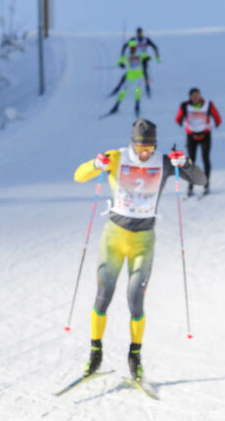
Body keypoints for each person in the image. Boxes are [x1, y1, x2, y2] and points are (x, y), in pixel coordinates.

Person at [73, 118, 206, 387]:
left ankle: (135, 358)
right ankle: (95, 353)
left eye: (149, 147)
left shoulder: (164, 161)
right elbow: (79, 175)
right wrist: (95, 165)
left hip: (144, 240)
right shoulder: (115, 157)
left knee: (135, 299)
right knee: (103, 297)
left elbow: (201, 180)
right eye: (140, 147)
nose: (145, 153)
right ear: (132, 143)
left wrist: (186, 164)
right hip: (114, 237)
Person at [175, 88, 222, 195]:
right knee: (191, 161)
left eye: (198, 95)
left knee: (205, 159)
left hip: (205, 135)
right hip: (191, 135)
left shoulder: (208, 105)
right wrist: (181, 120)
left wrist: (217, 122)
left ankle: (206, 184)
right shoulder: (185, 106)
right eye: (194, 96)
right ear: (190, 97)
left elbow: (217, 116)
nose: (196, 97)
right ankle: (191, 185)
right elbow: (178, 118)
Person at [107, 45, 151, 117]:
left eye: (134, 48)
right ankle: (116, 106)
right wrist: (121, 64)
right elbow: (120, 61)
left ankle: (137, 106)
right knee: (124, 91)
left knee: (137, 90)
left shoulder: (140, 54)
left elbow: (147, 57)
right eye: (131, 48)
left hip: (138, 76)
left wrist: (146, 59)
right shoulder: (127, 55)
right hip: (130, 76)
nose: (133, 49)